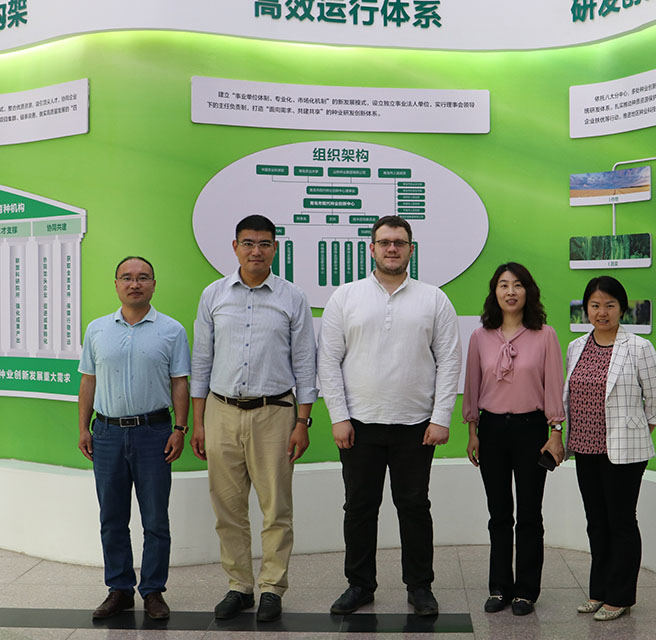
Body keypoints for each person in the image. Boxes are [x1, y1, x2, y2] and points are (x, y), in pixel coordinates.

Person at [318, 215, 462, 617]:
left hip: (416, 425)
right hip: (359, 424)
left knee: (414, 507)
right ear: (372, 249)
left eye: (399, 242)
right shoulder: (345, 297)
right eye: (384, 242)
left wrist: (441, 417)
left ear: (411, 249)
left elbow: (450, 360)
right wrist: (338, 416)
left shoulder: (434, 299)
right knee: (359, 508)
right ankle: (359, 585)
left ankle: (420, 586)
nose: (392, 248)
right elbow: (328, 360)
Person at [190, 214, 317, 623]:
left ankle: (272, 588)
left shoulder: (292, 297)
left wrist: (303, 422)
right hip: (221, 411)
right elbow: (201, 361)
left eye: (264, 243)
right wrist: (198, 422)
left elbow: (305, 363)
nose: (256, 251)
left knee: (276, 508)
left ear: (275, 248)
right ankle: (239, 586)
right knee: (228, 508)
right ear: (235, 247)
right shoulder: (213, 295)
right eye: (248, 243)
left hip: (275, 413)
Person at [77, 256, 191, 620]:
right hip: (107, 432)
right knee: (112, 517)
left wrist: (180, 429)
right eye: (126, 278)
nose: (135, 284)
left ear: (154, 284)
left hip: (154, 433)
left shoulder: (172, 330)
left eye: (143, 277)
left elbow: (180, 383)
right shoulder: (97, 330)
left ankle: (153, 591)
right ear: (116, 285)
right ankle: (119, 589)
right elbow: (88, 380)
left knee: (155, 519)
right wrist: (83, 427)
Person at [462, 262, 565, 616]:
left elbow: (553, 385)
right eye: (503, 285)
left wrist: (556, 432)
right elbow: (472, 386)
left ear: (528, 291)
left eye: (517, 285)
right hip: (491, 430)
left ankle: (526, 591)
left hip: (532, 430)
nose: (510, 291)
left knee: (530, 514)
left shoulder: (545, 335)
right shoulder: (480, 337)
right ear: (494, 292)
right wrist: (472, 431)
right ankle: (499, 587)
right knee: (499, 513)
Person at [562, 276, 656, 621]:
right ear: (586, 308)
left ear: (622, 308)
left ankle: (620, 596)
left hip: (624, 452)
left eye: (609, 305)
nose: (601, 312)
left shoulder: (638, 347)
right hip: (584, 447)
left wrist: (636, 432)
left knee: (621, 521)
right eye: (595, 305)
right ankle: (599, 590)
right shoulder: (576, 346)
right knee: (596, 521)